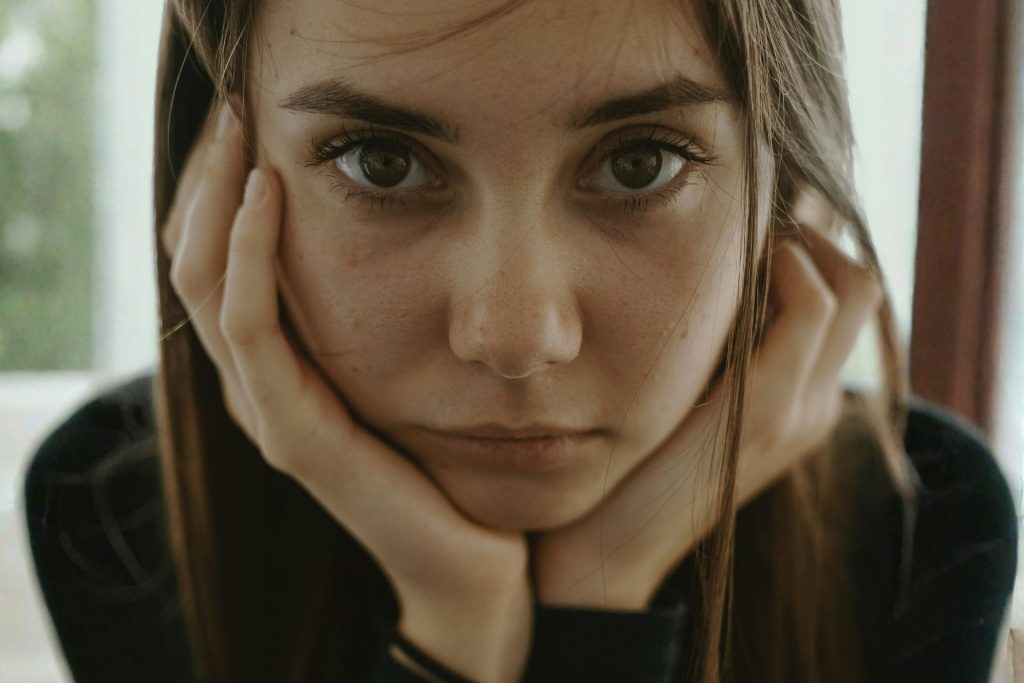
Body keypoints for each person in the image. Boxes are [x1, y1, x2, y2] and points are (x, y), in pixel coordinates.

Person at [24, 0, 1018, 681]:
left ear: (781, 180)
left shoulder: (917, 526)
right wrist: (456, 629)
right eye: (379, 162)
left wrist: (598, 603)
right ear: (222, 166)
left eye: (638, 163)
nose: (512, 335)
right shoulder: (121, 506)